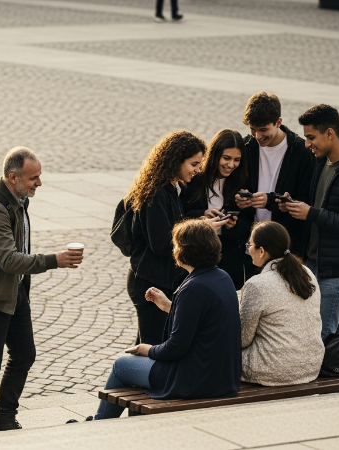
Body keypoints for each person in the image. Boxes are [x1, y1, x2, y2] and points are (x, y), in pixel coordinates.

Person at [0, 147, 84, 435]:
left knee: (24, 355)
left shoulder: (18, 199)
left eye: (38, 176)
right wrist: (54, 260)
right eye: (33, 178)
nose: (39, 183)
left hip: (14, 292)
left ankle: (4, 417)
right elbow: (9, 260)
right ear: (13, 177)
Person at [93, 219, 241, 420]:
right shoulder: (221, 277)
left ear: (184, 250)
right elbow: (200, 319)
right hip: (222, 376)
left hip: (196, 379)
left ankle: (99, 422)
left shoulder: (193, 288)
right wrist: (168, 306)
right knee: (133, 368)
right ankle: (120, 422)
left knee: (122, 366)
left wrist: (147, 349)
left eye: (176, 245)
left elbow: (175, 348)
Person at [281, 104, 339, 339]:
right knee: (334, 338)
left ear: (330, 133)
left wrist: (311, 213)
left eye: (311, 137)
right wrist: (295, 205)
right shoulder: (322, 163)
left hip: (338, 269)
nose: (307, 144)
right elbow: (321, 204)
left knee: (320, 337)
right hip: (317, 262)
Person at [122, 130, 225, 346]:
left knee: (148, 345)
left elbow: (173, 222)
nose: (197, 170)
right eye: (194, 164)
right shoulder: (156, 193)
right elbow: (161, 243)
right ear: (176, 161)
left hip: (159, 280)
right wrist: (200, 228)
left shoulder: (172, 187)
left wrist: (200, 217)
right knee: (153, 348)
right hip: (150, 282)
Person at [241, 221, 324, 386]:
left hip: (272, 369)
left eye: (249, 245)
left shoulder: (256, 284)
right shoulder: (306, 273)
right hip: (311, 365)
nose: (248, 249)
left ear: (261, 251)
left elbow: (242, 339)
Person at [234, 92, 315, 256]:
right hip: (248, 248)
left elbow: (308, 200)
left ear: (278, 122)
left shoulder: (302, 152)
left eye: (263, 130)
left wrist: (272, 201)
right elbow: (232, 184)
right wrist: (238, 198)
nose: (257, 136)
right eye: (253, 129)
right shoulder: (245, 146)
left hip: (285, 249)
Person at [183, 129, 253, 289]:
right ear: (215, 155)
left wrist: (234, 224)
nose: (231, 165)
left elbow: (249, 223)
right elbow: (181, 214)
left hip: (229, 256)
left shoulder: (242, 182)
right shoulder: (194, 179)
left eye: (237, 160)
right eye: (226, 158)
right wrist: (203, 215)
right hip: (197, 254)